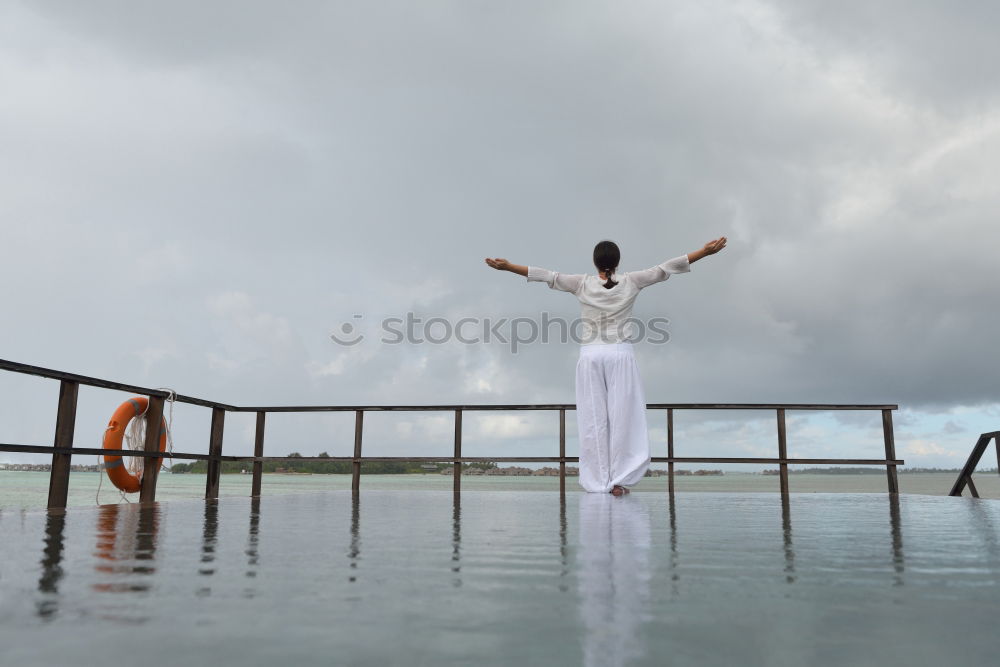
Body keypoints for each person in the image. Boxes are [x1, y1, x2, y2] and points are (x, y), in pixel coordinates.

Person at [485, 237, 726, 496]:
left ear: (594, 261)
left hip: (590, 356)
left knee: (593, 419)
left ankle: (597, 481)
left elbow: (548, 275)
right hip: (620, 354)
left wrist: (508, 267)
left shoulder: (582, 283)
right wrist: (704, 252)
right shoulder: (632, 281)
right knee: (625, 416)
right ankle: (619, 480)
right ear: (618, 262)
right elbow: (665, 268)